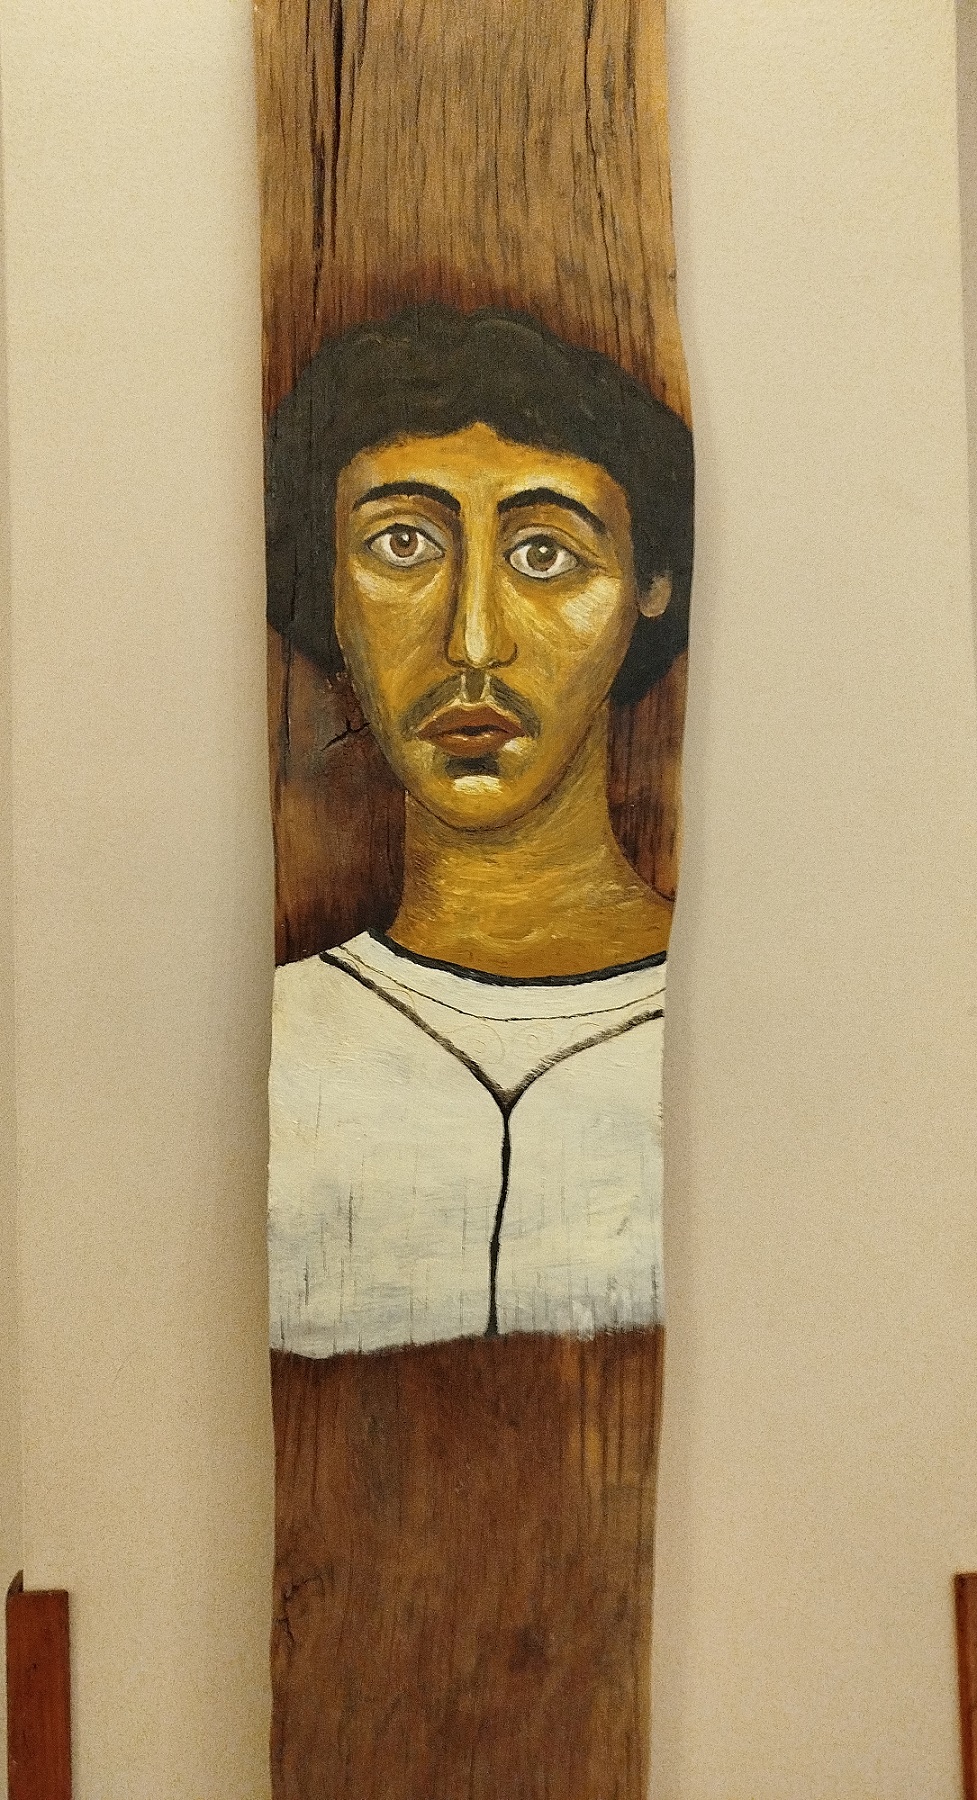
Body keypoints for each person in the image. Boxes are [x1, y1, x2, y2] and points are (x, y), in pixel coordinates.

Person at [265, 304, 693, 1359]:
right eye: (401, 544)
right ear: (324, 586)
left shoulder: (730, 1028)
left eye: (545, 554)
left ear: (649, 590)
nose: (472, 641)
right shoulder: (290, 1031)